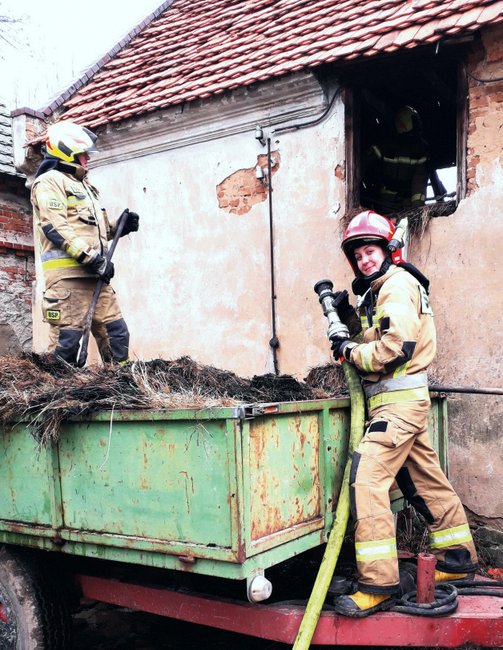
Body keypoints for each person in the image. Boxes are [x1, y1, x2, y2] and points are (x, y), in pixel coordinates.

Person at [328, 210, 478, 617]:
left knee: (368, 478)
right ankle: (457, 559)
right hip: (404, 402)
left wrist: (350, 352)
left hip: (396, 405)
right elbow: (381, 334)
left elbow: (396, 347)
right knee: (424, 479)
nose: (364, 260)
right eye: (358, 255)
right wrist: (348, 322)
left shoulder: (395, 284)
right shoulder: (385, 289)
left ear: (388, 249)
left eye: (370, 250)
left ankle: (379, 583)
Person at [31, 120, 140, 365]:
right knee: (66, 346)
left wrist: (118, 227)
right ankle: (58, 399)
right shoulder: (50, 182)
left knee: (117, 335)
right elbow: (55, 227)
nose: (87, 159)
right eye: (83, 154)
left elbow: (90, 230)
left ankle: (119, 391)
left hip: (96, 278)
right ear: (66, 151)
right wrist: (93, 259)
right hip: (67, 281)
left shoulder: (86, 187)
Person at [361, 105, 430, 215]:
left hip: (406, 201)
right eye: (410, 134)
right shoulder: (385, 145)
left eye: (416, 133)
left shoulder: (421, 150)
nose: (414, 139)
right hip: (384, 200)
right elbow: (362, 165)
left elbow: (419, 182)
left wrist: (417, 210)